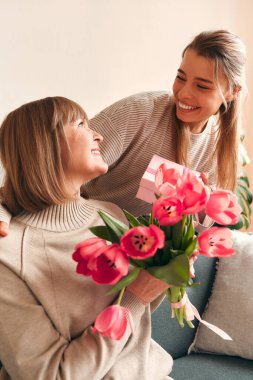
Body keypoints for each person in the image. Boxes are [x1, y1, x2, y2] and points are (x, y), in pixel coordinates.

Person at [0, 29, 247, 232]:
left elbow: (189, 236)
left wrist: (200, 208)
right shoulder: (140, 113)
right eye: (180, 77)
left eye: (202, 86)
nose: (183, 93)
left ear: (231, 92)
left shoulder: (218, 150)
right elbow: (44, 172)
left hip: (137, 254)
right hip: (75, 231)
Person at [0, 97, 173, 379]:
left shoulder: (111, 214)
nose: (98, 135)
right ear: (45, 145)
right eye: (81, 124)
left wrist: (165, 274)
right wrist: (136, 296)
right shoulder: (8, 256)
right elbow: (53, 375)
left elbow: (140, 312)